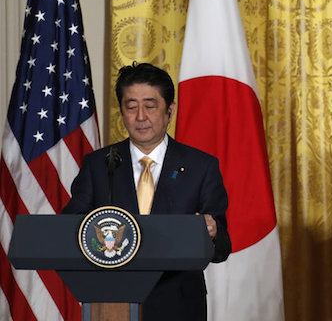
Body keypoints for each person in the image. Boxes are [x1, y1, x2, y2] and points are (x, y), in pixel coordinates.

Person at [63, 62, 231, 320]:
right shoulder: (98, 165)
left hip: (179, 305)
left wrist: (211, 232)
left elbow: (222, 248)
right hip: (112, 303)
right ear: (121, 112)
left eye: (150, 106)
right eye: (131, 107)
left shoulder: (201, 166)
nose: (140, 117)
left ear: (169, 111)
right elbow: (70, 228)